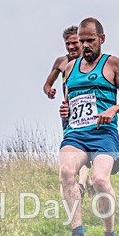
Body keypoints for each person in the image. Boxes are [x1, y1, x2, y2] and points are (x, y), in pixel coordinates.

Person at [57, 17, 119, 236]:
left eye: (90, 41)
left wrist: (113, 109)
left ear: (101, 39)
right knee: (66, 172)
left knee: (101, 181)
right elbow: (70, 102)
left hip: (104, 135)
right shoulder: (70, 69)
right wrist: (65, 110)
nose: (85, 46)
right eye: (81, 41)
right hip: (77, 134)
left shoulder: (112, 64)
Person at [43, 26, 91, 196]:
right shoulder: (61, 62)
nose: (71, 47)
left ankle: (82, 184)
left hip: (88, 112)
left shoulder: (90, 61)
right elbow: (47, 84)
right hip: (69, 113)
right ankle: (85, 181)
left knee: (87, 149)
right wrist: (49, 91)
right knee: (75, 149)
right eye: (67, 44)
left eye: (74, 43)